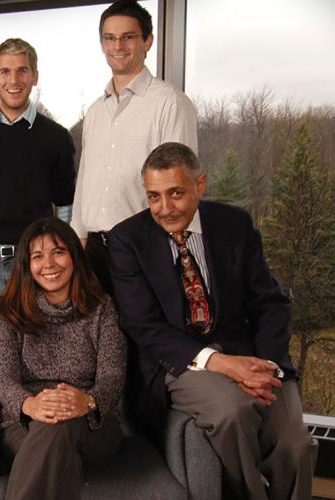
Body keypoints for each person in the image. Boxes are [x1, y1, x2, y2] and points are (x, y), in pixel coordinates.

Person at [108, 142, 315, 500]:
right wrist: (221, 364)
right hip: (181, 362)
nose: (165, 208)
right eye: (154, 197)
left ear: (199, 186)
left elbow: (270, 303)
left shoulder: (234, 225)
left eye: (176, 193)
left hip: (250, 353)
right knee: (232, 413)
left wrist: (266, 365)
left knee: (295, 445)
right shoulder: (128, 240)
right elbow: (142, 326)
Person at [0, 217, 125, 500]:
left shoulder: (102, 308)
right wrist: (30, 405)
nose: (48, 264)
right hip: (23, 422)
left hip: (93, 423)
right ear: (27, 264)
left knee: (59, 424)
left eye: (58, 252)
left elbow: (113, 374)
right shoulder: (6, 312)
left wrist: (87, 402)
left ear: (74, 255)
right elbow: (2, 378)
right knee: (56, 432)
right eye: (37, 256)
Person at [70, 0, 197, 294]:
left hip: (145, 247)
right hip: (94, 252)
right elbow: (85, 178)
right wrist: (78, 235)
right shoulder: (95, 111)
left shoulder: (169, 103)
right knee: (99, 339)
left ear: (147, 42)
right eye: (110, 38)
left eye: (128, 36)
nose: (118, 45)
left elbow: (180, 186)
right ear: (102, 44)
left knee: (142, 338)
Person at [0, 38, 76, 312]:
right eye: (5, 71)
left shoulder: (56, 137)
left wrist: (55, 252)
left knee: (43, 337)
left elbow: (65, 204)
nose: (14, 79)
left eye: (22, 70)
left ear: (34, 76)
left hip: (38, 259)